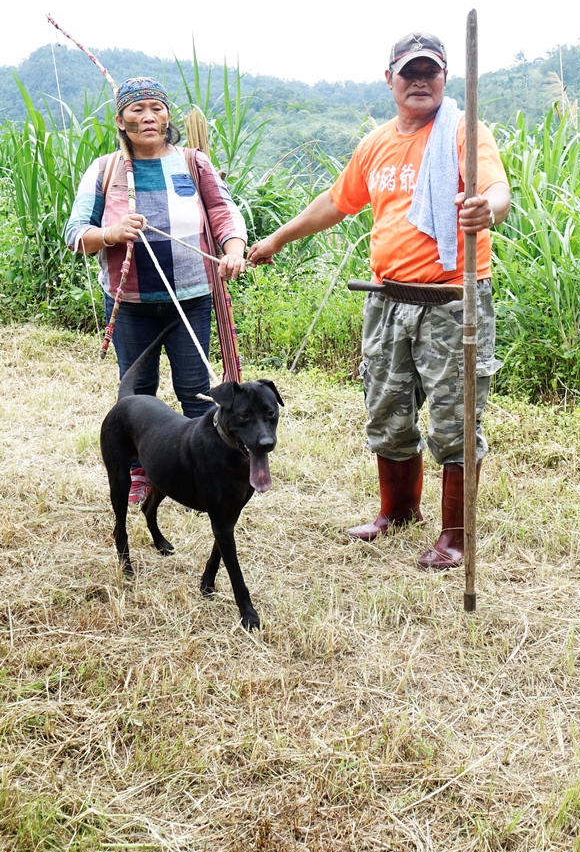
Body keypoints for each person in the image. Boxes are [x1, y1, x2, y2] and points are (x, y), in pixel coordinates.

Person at [247, 32, 511, 570]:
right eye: (409, 72)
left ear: (444, 78)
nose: (420, 81)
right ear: (388, 78)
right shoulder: (376, 144)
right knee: (387, 410)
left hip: (452, 303)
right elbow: (336, 201)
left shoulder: (463, 130)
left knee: (455, 420)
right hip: (387, 302)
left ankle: (456, 538)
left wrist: (486, 210)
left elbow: (497, 193)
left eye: (430, 72)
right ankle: (399, 512)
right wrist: (277, 238)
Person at [66, 77, 247, 504]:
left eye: (157, 108)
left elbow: (223, 211)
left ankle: (212, 466)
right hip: (129, 303)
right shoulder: (105, 169)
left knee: (195, 388)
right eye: (137, 109)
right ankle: (141, 472)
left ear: (168, 115)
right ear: (120, 120)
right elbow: (75, 234)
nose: (149, 117)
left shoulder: (193, 162)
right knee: (137, 392)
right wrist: (111, 232)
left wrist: (234, 248)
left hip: (193, 296)